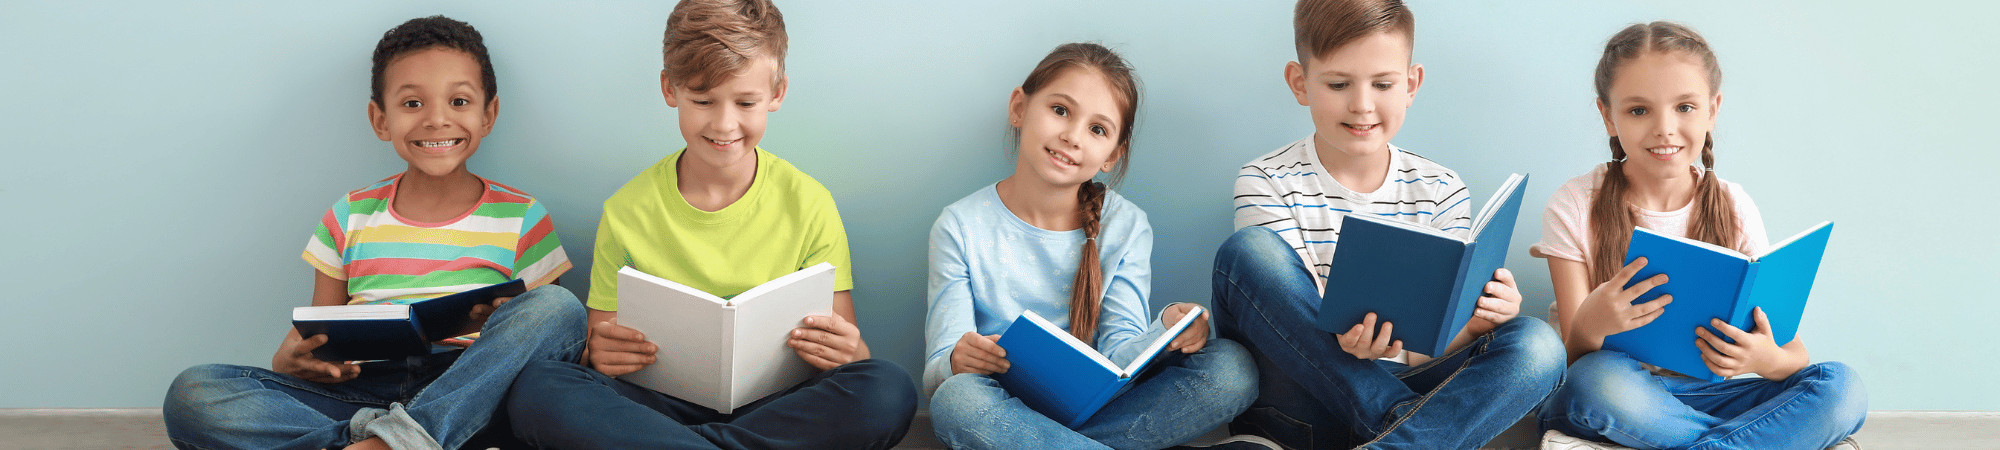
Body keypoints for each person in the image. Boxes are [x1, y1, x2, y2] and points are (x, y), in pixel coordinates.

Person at [501, 1, 917, 448]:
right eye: (702, 100)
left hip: (775, 405)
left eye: (746, 102)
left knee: (887, 388)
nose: (724, 123)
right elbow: (600, 347)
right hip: (654, 404)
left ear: (777, 93)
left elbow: (846, 358)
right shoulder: (626, 210)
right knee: (538, 387)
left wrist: (851, 352)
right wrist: (599, 352)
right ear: (670, 88)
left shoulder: (810, 203)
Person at [163, 15, 585, 450]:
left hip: (467, 386)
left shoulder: (522, 216)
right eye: (412, 104)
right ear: (380, 119)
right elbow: (318, 336)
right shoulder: (349, 215)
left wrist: (500, 323)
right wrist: (293, 363)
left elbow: (546, 343)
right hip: (362, 391)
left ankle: (393, 440)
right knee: (194, 394)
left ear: (489, 113)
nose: (437, 120)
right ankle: (388, 440)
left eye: (458, 102)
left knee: (557, 306)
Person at [1208, 0, 1566, 448]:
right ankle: (1403, 428)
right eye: (1339, 83)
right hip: (1300, 406)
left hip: (1408, 383)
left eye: (1382, 84)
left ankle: (1401, 438)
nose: (1362, 105)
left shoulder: (1442, 188)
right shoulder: (1265, 180)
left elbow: (1430, 343)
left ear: (1411, 84)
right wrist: (1350, 343)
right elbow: (1287, 326)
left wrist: (1475, 322)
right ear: (1300, 83)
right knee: (1249, 252)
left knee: (1539, 346)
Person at [1532, 21, 1866, 450]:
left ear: (1713, 109)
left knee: (1841, 386)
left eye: (1685, 107)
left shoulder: (1734, 205)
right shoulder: (1575, 204)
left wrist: (1764, 359)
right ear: (1607, 116)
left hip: (1711, 399)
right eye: (1639, 110)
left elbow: (1792, 354)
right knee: (1598, 379)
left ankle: (1709, 444)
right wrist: (1591, 325)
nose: (1664, 128)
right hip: (1617, 395)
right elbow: (1569, 360)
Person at [923, 42, 1260, 450]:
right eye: (1060, 110)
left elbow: (1121, 354)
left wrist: (1166, 328)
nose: (1071, 136)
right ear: (1019, 108)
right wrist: (957, 360)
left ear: (1112, 155)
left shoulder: (1127, 225)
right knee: (956, 400)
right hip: (1001, 408)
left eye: (1097, 129)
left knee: (1232, 368)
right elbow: (937, 373)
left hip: (1103, 410)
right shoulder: (960, 226)